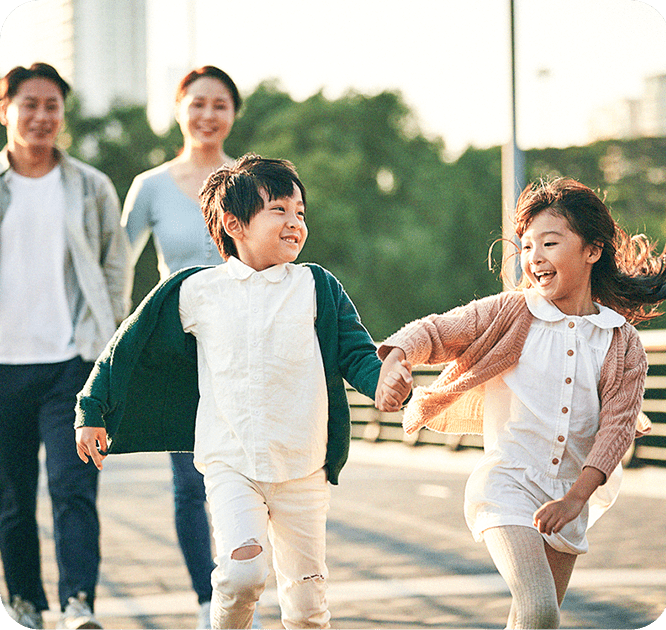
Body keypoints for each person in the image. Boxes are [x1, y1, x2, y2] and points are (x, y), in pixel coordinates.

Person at [74, 154, 412, 630]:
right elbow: (128, 345)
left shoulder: (317, 286)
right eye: (279, 210)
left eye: (301, 213)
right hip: (231, 463)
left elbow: (357, 353)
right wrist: (93, 409)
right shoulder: (196, 290)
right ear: (234, 223)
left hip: (303, 465)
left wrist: (384, 384)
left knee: (308, 604)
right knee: (240, 575)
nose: (295, 223)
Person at [376, 177, 666, 630]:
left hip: (572, 493)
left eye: (549, 243)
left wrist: (576, 498)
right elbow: (437, 331)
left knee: (533, 620)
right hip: (507, 484)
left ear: (592, 251)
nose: (534, 257)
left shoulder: (621, 341)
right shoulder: (512, 313)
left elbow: (616, 427)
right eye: (527, 245)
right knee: (539, 610)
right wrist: (396, 358)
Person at [0, 63, 131, 630]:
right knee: (11, 499)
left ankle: (79, 603)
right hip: (3, 367)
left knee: (73, 488)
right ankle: (26, 603)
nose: (41, 116)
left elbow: (115, 262)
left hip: (71, 364)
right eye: (29, 104)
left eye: (52, 105)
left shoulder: (90, 186)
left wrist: (107, 342)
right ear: (6, 110)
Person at [121, 65, 241, 630]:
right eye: (198, 103)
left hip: (247, 345)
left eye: (220, 104)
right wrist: (123, 345)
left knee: (249, 476)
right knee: (189, 484)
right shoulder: (150, 186)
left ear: (233, 114)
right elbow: (118, 267)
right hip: (178, 350)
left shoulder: (251, 179)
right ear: (178, 109)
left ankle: (246, 594)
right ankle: (206, 601)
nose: (208, 114)